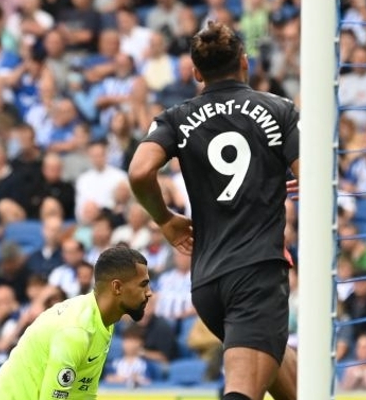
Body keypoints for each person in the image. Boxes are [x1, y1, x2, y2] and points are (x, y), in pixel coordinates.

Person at [128, 21, 299, 400]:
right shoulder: (279, 110)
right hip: (255, 274)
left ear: (196, 73)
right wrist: (273, 182)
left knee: (290, 376)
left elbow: (139, 171)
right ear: (245, 62)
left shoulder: (176, 117)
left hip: (206, 283)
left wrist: (165, 220)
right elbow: (314, 178)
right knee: (242, 390)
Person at [0, 245, 152, 399]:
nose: (149, 293)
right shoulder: (76, 330)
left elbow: (83, 393)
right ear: (117, 287)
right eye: (143, 285)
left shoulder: (104, 322)